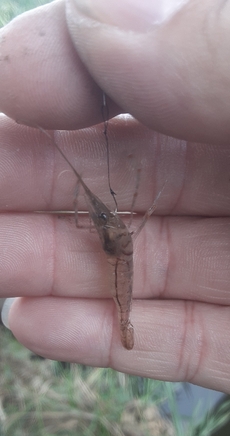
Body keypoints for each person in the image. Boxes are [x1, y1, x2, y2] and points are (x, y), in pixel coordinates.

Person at [0, 0, 230, 393]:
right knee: (100, 211)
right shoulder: (116, 234)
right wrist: (92, 199)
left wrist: (81, 199)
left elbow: (81, 220)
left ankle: (126, 322)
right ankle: (125, 322)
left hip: (119, 267)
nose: (104, 216)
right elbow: (97, 217)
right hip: (118, 262)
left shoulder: (111, 237)